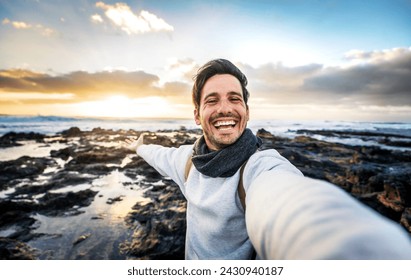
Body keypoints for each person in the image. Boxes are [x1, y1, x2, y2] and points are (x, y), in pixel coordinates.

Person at [123, 59, 411, 260]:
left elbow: (287, 200)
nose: (225, 109)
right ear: (197, 114)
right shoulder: (187, 161)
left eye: (235, 99)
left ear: (247, 111)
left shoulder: (259, 167)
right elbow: (159, 155)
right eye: (212, 100)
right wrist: (138, 147)